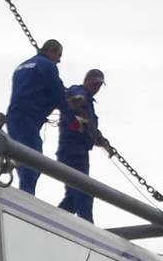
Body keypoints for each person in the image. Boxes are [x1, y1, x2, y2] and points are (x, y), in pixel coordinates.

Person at [6, 40, 80, 195]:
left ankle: (25, 193)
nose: (59, 60)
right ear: (51, 50)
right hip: (28, 119)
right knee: (33, 160)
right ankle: (27, 198)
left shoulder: (21, 66)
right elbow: (58, 94)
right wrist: (72, 119)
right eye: (58, 55)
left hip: (13, 118)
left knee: (22, 158)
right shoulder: (47, 66)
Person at [54, 69, 112, 221]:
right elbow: (75, 93)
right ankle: (88, 227)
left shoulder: (89, 106)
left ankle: (52, 220)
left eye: (99, 85)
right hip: (71, 152)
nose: (96, 88)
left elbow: (91, 130)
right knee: (84, 191)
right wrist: (77, 99)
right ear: (86, 81)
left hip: (80, 153)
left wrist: (104, 144)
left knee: (74, 198)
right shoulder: (79, 91)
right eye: (94, 84)